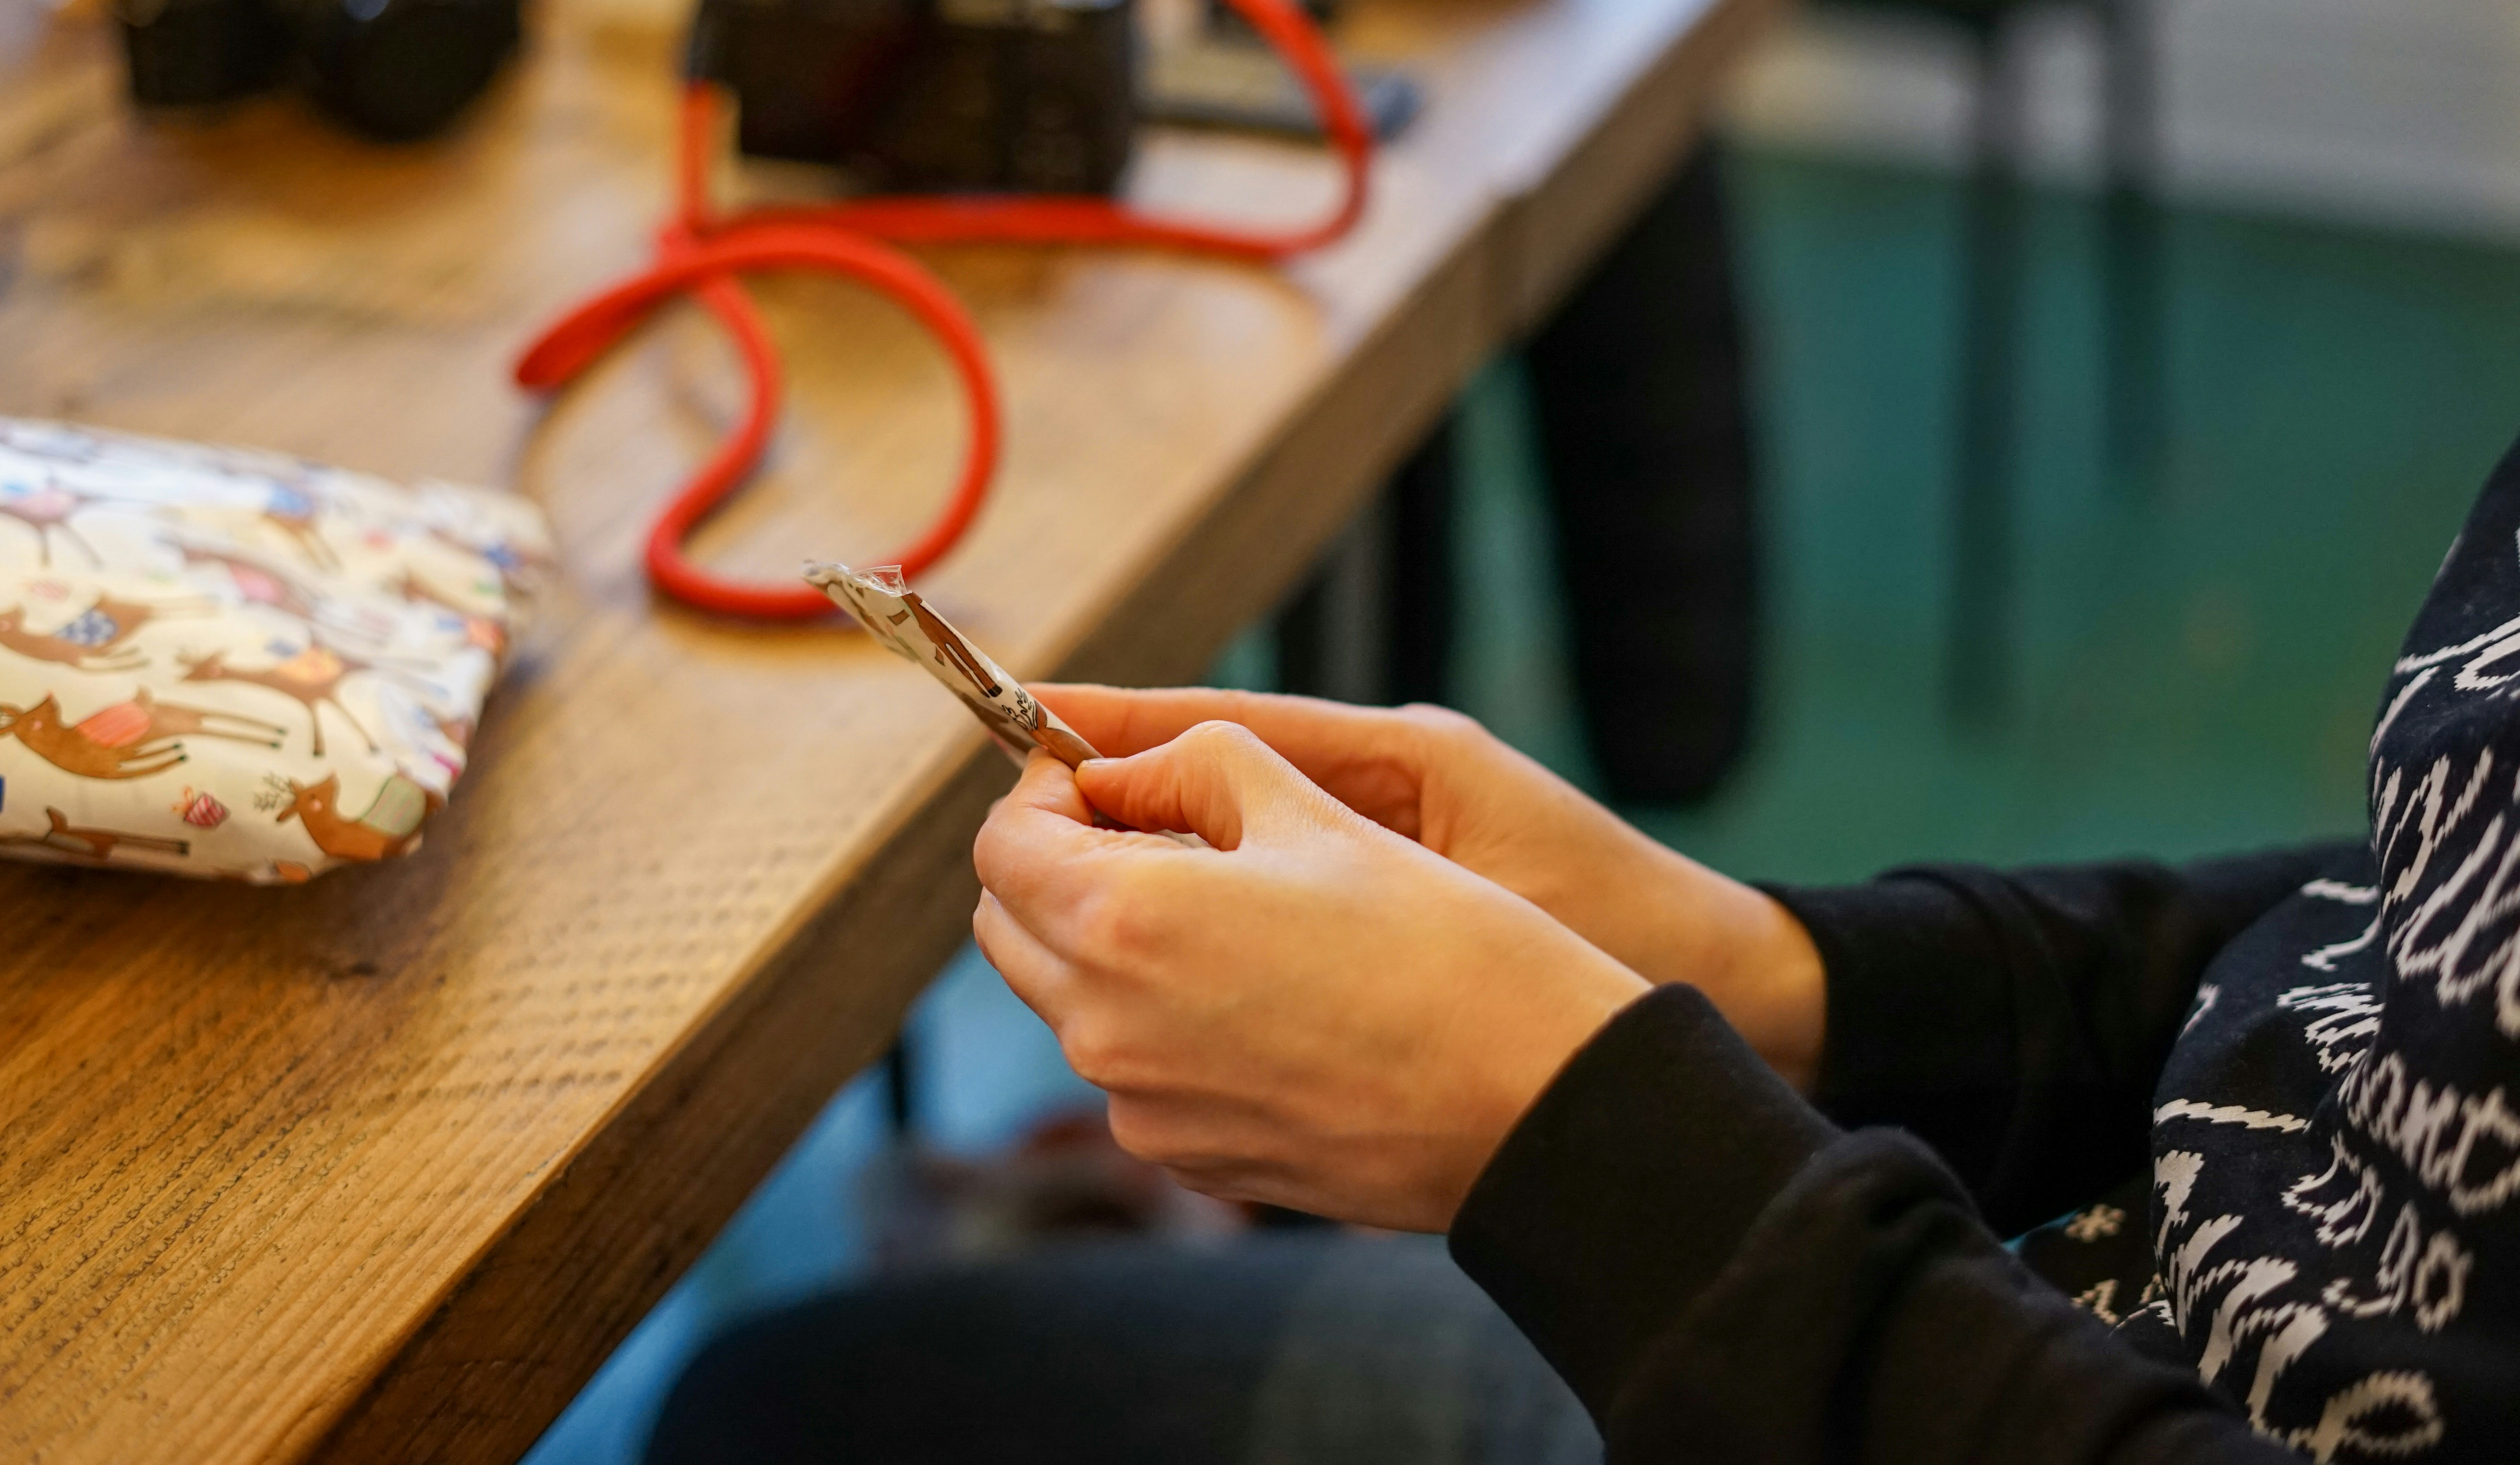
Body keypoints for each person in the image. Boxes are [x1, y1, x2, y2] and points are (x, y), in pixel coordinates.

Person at [649, 438, 2520, 1464]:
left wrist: (1581, 1142)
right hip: (1992, 1328)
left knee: (785, 1420)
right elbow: (2393, 934)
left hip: (1921, 1375)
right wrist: (1777, 975)